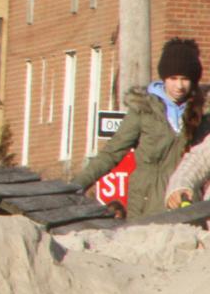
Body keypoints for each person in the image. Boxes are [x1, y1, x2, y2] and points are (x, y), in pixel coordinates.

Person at [71, 38, 210, 219]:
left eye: (185, 79)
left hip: (186, 206)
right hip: (145, 205)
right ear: (163, 78)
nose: (179, 86)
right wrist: (75, 186)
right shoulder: (144, 109)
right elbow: (112, 152)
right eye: (173, 78)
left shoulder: (203, 113)